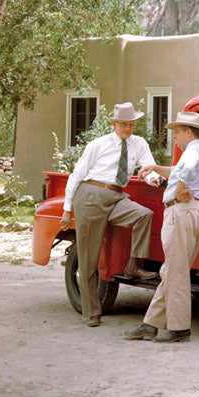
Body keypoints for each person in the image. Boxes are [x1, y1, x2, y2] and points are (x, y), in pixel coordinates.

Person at [59, 102, 158, 327]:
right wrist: (67, 209)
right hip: (91, 195)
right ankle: (92, 312)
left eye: (132, 125)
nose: (128, 129)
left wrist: (154, 179)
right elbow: (77, 175)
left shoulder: (139, 143)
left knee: (144, 215)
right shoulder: (98, 144)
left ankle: (133, 265)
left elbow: (148, 169)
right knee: (89, 258)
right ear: (114, 124)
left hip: (116, 195)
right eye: (124, 125)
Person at [123, 111, 199, 344]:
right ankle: (150, 324)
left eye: (177, 132)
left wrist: (179, 190)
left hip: (181, 211)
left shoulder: (191, 151)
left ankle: (179, 328)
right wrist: (156, 167)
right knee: (173, 270)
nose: (174, 137)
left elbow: (186, 170)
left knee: (175, 272)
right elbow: (179, 171)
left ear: (188, 132)